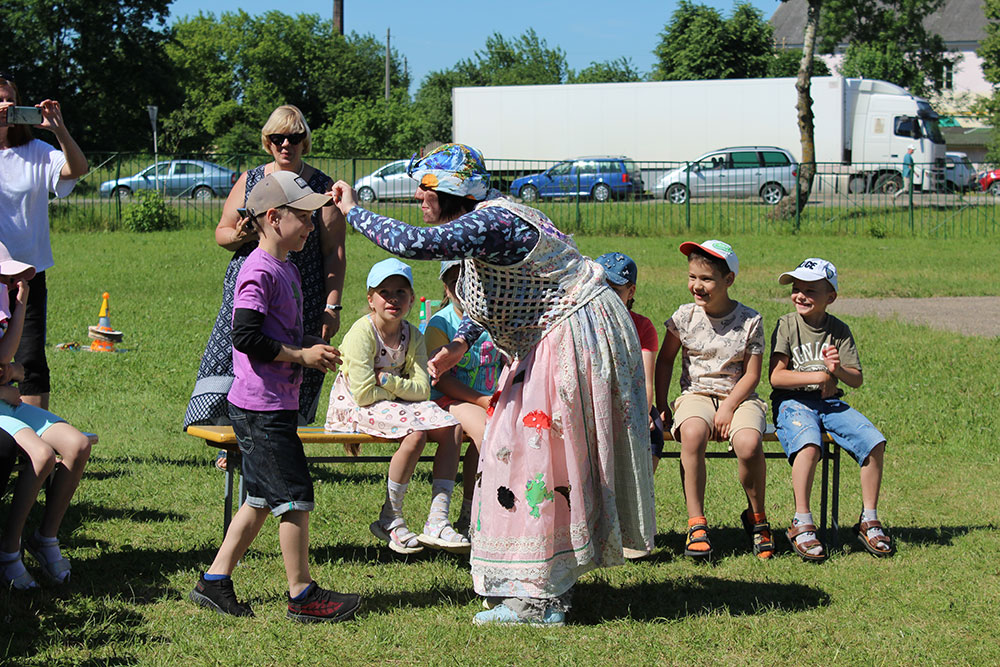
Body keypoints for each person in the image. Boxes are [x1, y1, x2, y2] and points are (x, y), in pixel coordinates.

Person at [327, 143, 655, 627]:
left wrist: (353, 209)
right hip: (559, 334)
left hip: (570, 336)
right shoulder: (491, 222)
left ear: (450, 190)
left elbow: (416, 244)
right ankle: (541, 587)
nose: (419, 196)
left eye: (426, 187)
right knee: (523, 456)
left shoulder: (492, 221)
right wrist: (459, 342)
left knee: (533, 459)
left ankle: (539, 598)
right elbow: (512, 295)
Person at [189, 171, 360, 622]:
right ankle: (302, 595)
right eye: (302, 217)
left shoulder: (285, 265)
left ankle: (214, 581)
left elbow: (273, 331)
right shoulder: (259, 269)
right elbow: (244, 336)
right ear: (272, 217)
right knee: (295, 495)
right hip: (260, 407)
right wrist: (302, 355)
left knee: (261, 498)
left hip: (273, 403)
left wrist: (309, 347)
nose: (310, 225)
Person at [184, 105, 347, 449]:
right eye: (277, 138)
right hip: (253, 285)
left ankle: (281, 440)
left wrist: (332, 306)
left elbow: (335, 251)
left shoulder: (322, 187)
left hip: (304, 291)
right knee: (240, 361)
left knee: (293, 364)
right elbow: (223, 234)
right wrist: (243, 234)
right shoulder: (252, 180)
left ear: (305, 142)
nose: (285, 144)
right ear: (267, 142)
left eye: (294, 137)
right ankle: (233, 443)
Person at [325, 258, 468, 554]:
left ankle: (437, 519)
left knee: (451, 427)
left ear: (412, 298)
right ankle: (390, 516)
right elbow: (363, 393)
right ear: (370, 299)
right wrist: (400, 389)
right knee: (415, 433)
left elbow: (422, 389)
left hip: (395, 402)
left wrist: (388, 380)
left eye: (401, 292)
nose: (393, 299)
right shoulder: (361, 333)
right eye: (384, 292)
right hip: (356, 405)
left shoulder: (412, 334)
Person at [654, 240, 773, 561]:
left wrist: (730, 408)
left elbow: (751, 375)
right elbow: (665, 360)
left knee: (749, 443)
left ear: (728, 280)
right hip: (695, 395)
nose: (697, 285)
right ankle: (697, 524)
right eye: (692, 277)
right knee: (692, 434)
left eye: (706, 279)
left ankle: (757, 518)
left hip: (740, 397)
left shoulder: (750, 320)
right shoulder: (683, 317)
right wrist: (662, 403)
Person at [769, 258, 893, 561]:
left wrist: (837, 370)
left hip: (830, 403)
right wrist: (820, 376)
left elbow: (856, 379)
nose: (800, 295)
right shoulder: (787, 324)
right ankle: (802, 522)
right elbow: (776, 377)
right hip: (792, 402)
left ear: (831, 297)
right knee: (810, 446)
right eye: (796, 289)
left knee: (873, 441)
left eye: (810, 291)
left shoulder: (839, 330)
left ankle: (869, 519)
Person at [0, 241, 92, 589]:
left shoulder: (5, 302)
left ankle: (45, 537)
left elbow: (6, 358)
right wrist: (8, 383)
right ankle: (9, 550)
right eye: (6, 279)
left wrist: (20, 305)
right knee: (41, 457)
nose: (10, 284)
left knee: (78, 444)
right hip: (2, 404)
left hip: (8, 401)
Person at [0, 72, 88, 411]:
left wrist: (59, 130)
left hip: (27, 274)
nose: (6, 105)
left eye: (10, 98)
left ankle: (34, 450)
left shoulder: (36, 151)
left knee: (30, 358)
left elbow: (77, 169)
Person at [424, 259, 506, 539]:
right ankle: (479, 515)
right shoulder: (441, 323)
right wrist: (483, 400)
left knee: (498, 435)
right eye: (454, 283)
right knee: (489, 434)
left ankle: (471, 512)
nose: (462, 289)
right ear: (446, 289)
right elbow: (441, 379)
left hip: (487, 399)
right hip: (448, 397)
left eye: (469, 281)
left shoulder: (493, 318)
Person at [594, 253, 663, 472]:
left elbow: (646, 383)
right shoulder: (585, 323)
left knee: (653, 433)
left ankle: (640, 492)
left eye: (614, 291)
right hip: (595, 401)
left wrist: (641, 414)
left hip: (634, 400)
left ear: (631, 291)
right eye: (599, 288)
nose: (605, 297)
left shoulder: (642, 327)